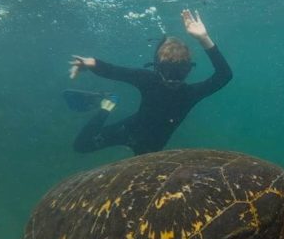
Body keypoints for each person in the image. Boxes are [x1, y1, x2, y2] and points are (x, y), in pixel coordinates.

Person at [67, 9, 231, 155]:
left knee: (143, 160)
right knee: (81, 146)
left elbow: (224, 75)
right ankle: (107, 105)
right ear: (157, 68)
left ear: (188, 70)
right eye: (168, 71)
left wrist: (204, 38)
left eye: (181, 72)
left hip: (149, 149)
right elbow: (113, 70)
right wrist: (90, 63)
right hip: (129, 130)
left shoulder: (190, 93)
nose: (174, 78)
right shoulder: (149, 80)